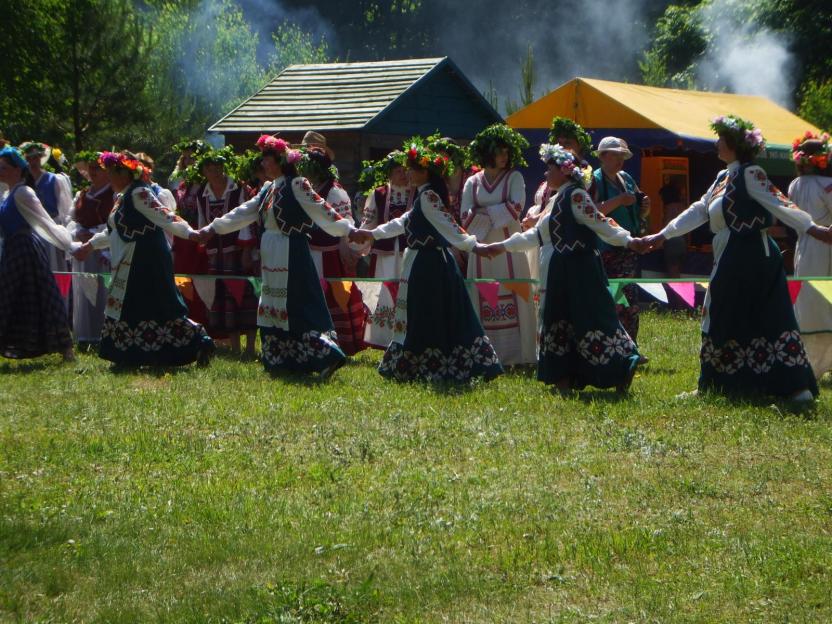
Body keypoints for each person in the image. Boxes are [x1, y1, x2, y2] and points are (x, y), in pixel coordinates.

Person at [640, 115, 832, 402]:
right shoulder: (723, 177)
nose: (716, 143)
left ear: (734, 144)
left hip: (751, 255)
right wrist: (663, 235)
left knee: (757, 314)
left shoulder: (751, 173)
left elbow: (780, 203)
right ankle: (722, 384)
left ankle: (794, 388)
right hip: (730, 253)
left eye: (721, 138)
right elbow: (699, 210)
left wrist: (815, 229)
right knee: (731, 314)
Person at [481, 144, 640, 391]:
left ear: (565, 172)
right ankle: (565, 378)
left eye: (550, 169)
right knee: (560, 321)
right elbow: (537, 235)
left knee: (592, 318)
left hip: (581, 271)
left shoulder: (576, 196)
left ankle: (621, 367)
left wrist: (630, 240)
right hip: (561, 272)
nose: (546, 174)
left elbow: (601, 223)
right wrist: (500, 247)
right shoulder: (558, 198)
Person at [195, 135, 355, 379]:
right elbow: (244, 211)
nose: (263, 165)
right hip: (272, 252)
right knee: (273, 305)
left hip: (292, 250)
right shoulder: (269, 188)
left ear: (280, 161)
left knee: (296, 302)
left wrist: (349, 230)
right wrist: (213, 228)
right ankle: (283, 359)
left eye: (267, 160)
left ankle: (327, 355)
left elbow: (322, 209)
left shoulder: (297, 184)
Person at [349, 139, 503, 383]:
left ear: (425, 172)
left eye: (412, 169)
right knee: (421, 313)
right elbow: (402, 222)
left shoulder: (429, 197)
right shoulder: (423, 196)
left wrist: (475, 246)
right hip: (422, 262)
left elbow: (449, 225)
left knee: (429, 313)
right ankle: (420, 364)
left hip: (430, 265)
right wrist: (371, 234)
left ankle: (434, 364)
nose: (407, 173)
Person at [75, 151, 214, 368]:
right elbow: (113, 231)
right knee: (131, 306)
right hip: (129, 261)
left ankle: (200, 341)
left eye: (112, 173)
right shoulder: (121, 197)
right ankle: (128, 354)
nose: (109, 177)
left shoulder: (139, 193)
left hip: (147, 261)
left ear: (125, 174)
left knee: (160, 306)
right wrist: (90, 246)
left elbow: (165, 216)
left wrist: (190, 233)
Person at [462, 123, 537, 366]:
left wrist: (481, 212)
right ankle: (485, 353)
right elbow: (464, 216)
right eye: (499, 152)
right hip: (481, 249)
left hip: (509, 247)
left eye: (507, 152)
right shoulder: (472, 182)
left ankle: (520, 354)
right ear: (487, 153)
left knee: (515, 291)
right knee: (483, 292)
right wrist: (493, 212)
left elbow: (516, 208)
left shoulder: (514, 177)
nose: (504, 157)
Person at [0, 146, 78, 361]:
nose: (0, 172)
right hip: (12, 250)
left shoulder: (23, 193)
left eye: (4, 168)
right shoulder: (7, 194)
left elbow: (45, 222)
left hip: (26, 250)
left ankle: (65, 348)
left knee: (42, 296)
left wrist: (69, 245)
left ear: (17, 170)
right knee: (17, 297)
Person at [298, 146, 366, 355]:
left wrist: (345, 245)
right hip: (312, 252)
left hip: (330, 255)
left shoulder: (334, 192)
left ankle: (340, 342)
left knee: (336, 296)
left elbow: (346, 222)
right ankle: (315, 339)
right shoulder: (310, 189)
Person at [194, 147, 258, 356]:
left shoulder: (238, 189)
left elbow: (246, 221)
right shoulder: (202, 194)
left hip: (238, 251)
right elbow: (202, 223)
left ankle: (250, 347)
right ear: (204, 171)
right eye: (209, 168)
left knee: (245, 297)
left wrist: (247, 250)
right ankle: (234, 346)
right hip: (216, 254)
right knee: (224, 298)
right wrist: (202, 243)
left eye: (218, 167)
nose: (214, 172)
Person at [592, 137, 650, 357]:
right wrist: (619, 200)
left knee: (630, 300)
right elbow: (590, 211)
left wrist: (645, 207)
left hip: (628, 247)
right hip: (606, 249)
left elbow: (638, 208)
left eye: (622, 156)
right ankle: (615, 348)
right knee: (614, 301)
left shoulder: (626, 178)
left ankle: (630, 348)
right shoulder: (594, 180)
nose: (620, 160)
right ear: (603, 156)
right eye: (616, 155)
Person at [353, 151, 413, 349]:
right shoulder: (378, 194)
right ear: (389, 174)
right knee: (385, 291)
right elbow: (368, 223)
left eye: (405, 170)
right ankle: (383, 337)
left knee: (406, 290)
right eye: (398, 171)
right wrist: (355, 245)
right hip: (384, 254)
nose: (403, 174)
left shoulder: (417, 192)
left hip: (407, 252)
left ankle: (407, 333)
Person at [522, 118, 594, 281]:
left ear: (580, 147)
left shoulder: (582, 174)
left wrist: (537, 219)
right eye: (559, 143)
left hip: (562, 242)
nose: (562, 147)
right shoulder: (555, 172)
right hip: (542, 237)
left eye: (567, 143)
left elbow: (567, 207)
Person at [788, 132, 832, 379]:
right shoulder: (827, 185)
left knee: (808, 301)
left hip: (804, 246)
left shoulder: (794, 185)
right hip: (825, 246)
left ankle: (810, 359)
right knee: (823, 300)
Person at [69, 150, 113, 346]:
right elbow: (72, 219)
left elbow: (114, 224)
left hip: (104, 250)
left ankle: (105, 334)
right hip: (84, 251)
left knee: (103, 291)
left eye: (98, 168)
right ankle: (86, 334)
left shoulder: (113, 194)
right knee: (85, 290)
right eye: (91, 168)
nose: (93, 172)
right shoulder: (83, 194)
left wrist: (94, 234)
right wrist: (78, 232)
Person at [19, 141, 73, 272]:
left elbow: (66, 212)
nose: (33, 162)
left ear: (41, 158)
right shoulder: (22, 183)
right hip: (31, 231)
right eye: (29, 158)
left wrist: (64, 240)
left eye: (36, 157)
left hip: (51, 228)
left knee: (53, 268)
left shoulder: (54, 180)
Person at [659, 182, 687, 279]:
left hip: (672, 241)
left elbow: (667, 226)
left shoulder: (669, 207)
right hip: (682, 241)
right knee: (678, 269)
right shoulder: (682, 207)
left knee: (673, 270)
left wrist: (659, 240)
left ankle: (676, 287)